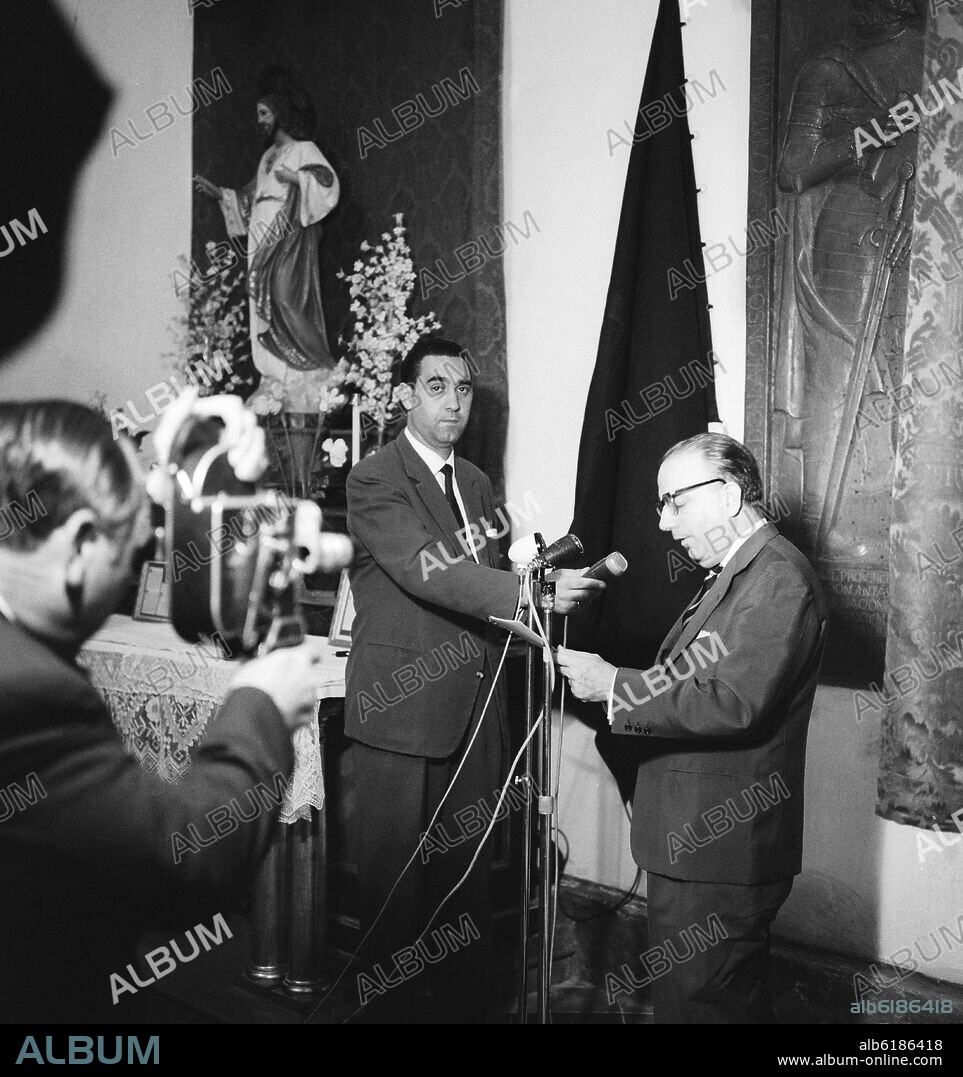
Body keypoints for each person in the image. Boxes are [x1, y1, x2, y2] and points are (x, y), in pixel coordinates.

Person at [0, 397, 324, 1023]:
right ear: (79, 546)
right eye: (128, 558)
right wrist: (262, 704)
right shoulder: (30, 699)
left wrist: (199, 468)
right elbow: (183, 865)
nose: (132, 578)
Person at [344, 336, 604, 1022]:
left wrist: (536, 585)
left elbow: (486, 586)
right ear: (404, 396)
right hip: (400, 717)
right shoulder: (374, 478)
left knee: (463, 900)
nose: (453, 402)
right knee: (392, 904)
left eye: (462, 388)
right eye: (436, 387)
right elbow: (429, 569)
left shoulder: (478, 484)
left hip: (474, 718)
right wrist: (531, 595)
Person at [558, 433, 827, 1024]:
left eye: (674, 501)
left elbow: (732, 701)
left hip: (719, 853)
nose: (662, 522)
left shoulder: (777, 577)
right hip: (698, 847)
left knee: (705, 1010)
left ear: (729, 495)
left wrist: (614, 686)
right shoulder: (739, 574)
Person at [195, 68, 340, 414]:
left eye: (264, 113)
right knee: (261, 301)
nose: (259, 121)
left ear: (280, 115)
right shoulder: (265, 158)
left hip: (288, 233)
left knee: (287, 298)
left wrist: (296, 177)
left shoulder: (305, 149)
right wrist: (222, 195)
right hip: (261, 232)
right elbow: (251, 197)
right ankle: (274, 375)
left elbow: (327, 182)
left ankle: (310, 369)